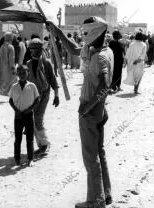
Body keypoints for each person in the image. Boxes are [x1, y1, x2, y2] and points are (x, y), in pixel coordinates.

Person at [47, 16, 113, 208]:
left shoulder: (100, 56)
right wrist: (57, 32)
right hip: (99, 111)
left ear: (92, 33)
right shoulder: (100, 49)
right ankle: (105, 194)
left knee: (90, 157)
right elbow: (74, 50)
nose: (83, 37)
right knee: (99, 153)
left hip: (91, 112)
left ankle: (95, 201)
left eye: (85, 33)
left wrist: (86, 108)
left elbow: (105, 85)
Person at [26, 38, 60, 156]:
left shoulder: (47, 63)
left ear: (41, 50)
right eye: (32, 49)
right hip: (32, 96)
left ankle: (45, 144)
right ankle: (41, 144)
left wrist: (56, 96)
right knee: (33, 120)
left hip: (44, 94)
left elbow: (53, 81)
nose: (34, 51)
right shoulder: (28, 64)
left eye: (36, 49)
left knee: (38, 118)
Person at [9, 65, 39, 166]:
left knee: (30, 138)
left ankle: (30, 158)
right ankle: (17, 158)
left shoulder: (32, 86)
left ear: (28, 73)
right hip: (18, 116)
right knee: (18, 138)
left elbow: (37, 99)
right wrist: (15, 110)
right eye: (20, 73)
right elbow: (10, 100)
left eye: (24, 72)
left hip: (29, 115)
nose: (22, 75)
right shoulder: (14, 87)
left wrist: (30, 109)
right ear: (17, 74)